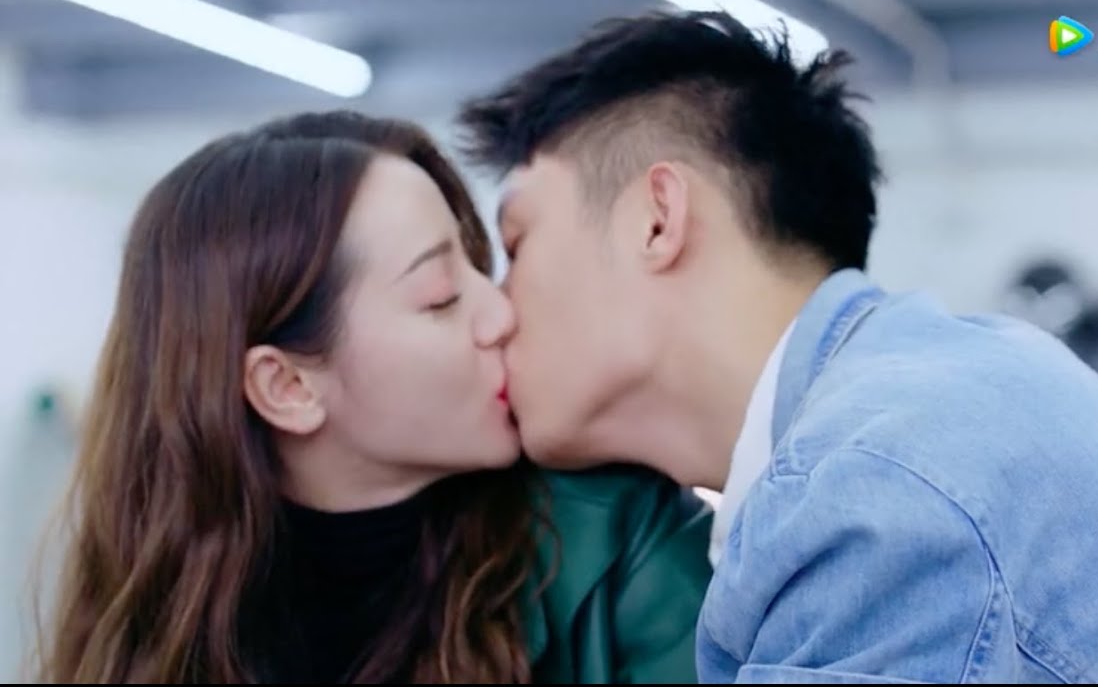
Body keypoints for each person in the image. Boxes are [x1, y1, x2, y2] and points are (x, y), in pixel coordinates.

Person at [456, 9, 1098, 683]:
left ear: (656, 221)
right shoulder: (929, 390)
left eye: (517, 246)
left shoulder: (874, 473)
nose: (492, 311)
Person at [33, 111, 711, 684]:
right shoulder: (153, 612)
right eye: (441, 298)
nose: (501, 314)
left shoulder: (621, 535)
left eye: (480, 267)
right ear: (288, 387)